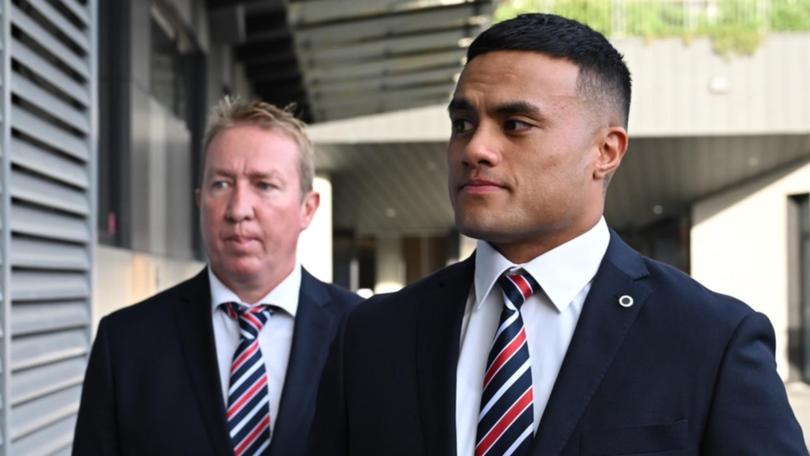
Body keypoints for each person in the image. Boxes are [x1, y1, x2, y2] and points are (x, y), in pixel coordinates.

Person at [307, 13, 807, 456]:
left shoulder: (711, 340)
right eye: (463, 122)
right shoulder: (372, 335)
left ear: (606, 151)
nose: (475, 147)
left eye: (516, 124)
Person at [74, 98, 360, 456]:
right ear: (199, 199)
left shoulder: (364, 332)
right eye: (221, 184)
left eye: (264, 185)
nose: (238, 209)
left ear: (308, 208)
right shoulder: (126, 344)